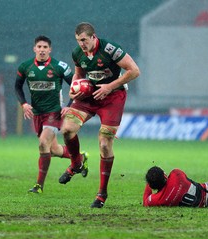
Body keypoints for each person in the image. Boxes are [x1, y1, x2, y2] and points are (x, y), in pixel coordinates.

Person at [59, 22, 140, 208]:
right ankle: (76, 163)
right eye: (79, 41)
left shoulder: (110, 49)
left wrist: (109, 86)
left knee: (104, 144)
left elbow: (134, 71)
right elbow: (78, 74)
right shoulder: (78, 53)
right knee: (67, 129)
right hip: (90, 95)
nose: (81, 44)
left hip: (114, 96)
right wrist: (73, 89)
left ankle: (102, 193)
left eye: (84, 40)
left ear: (93, 37)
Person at [14, 35, 88, 194]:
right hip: (37, 114)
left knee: (42, 143)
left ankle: (39, 186)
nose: (42, 50)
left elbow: (76, 86)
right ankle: (80, 158)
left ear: (50, 49)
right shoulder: (25, 66)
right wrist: (24, 103)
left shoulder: (59, 66)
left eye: (45, 47)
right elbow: (17, 87)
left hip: (54, 113)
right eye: (39, 47)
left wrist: (69, 106)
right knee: (52, 149)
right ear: (34, 48)